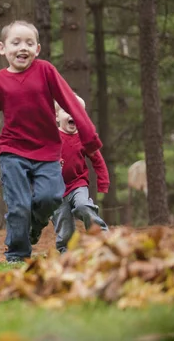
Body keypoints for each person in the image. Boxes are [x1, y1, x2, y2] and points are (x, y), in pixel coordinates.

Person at [0, 20, 101, 262]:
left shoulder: (46, 71)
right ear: (2, 48)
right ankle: (18, 254)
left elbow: (70, 102)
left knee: (50, 197)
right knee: (18, 205)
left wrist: (89, 137)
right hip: (13, 152)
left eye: (29, 43)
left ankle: (33, 227)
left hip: (48, 151)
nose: (23, 48)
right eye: (16, 42)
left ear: (37, 49)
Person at [51, 96, 109, 253]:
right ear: (56, 116)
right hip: (56, 189)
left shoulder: (85, 138)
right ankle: (66, 252)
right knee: (64, 227)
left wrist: (103, 182)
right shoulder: (51, 137)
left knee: (83, 206)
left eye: (77, 110)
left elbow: (98, 160)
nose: (72, 113)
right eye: (66, 110)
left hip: (78, 184)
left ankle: (102, 238)